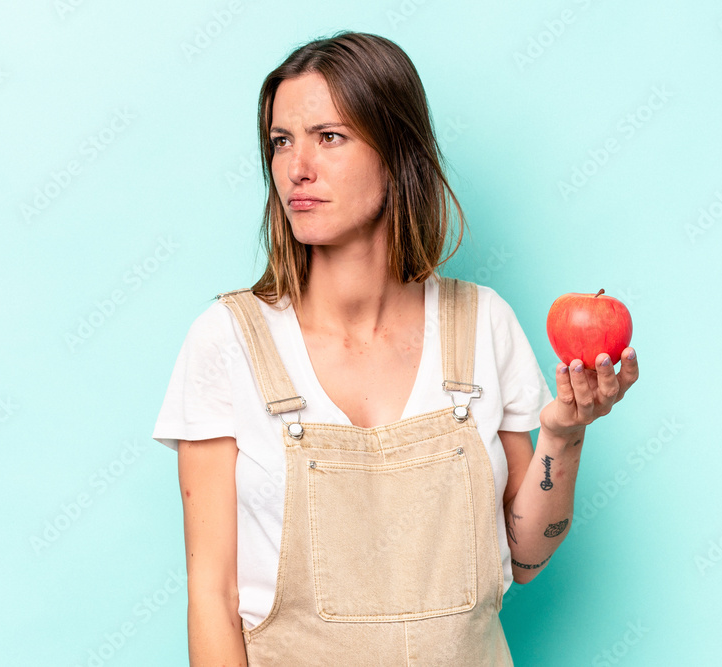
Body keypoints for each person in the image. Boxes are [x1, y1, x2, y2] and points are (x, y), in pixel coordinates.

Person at [152, 30, 639, 666]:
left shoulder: (482, 324)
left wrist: (564, 434)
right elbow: (212, 597)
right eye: (281, 141)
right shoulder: (228, 340)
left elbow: (526, 557)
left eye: (329, 137)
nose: (297, 167)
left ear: (397, 153)